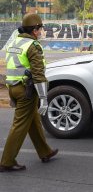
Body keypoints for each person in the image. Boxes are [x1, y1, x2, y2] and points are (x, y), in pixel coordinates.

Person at [0, 13, 58, 172]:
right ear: (34, 30)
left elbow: (11, 67)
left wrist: (12, 94)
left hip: (14, 87)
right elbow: (38, 75)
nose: (41, 32)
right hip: (27, 90)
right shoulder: (33, 46)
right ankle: (7, 161)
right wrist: (44, 99)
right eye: (40, 29)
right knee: (19, 126)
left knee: (33, 121)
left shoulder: (15, 42)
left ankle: (45, 151)